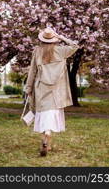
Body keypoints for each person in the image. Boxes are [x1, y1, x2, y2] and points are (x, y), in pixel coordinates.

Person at [25, 27, 79, 156]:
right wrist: (61, 37)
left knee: (43, 115)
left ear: (42, 40)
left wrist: (28, 87)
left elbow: (32, 71)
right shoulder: (61, 51)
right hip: (56, 90)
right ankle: (48, 140)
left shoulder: (37, 52)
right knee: (52, 114)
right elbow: (75, 45)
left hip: (41, 88)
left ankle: (45, 140)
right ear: (54, 40)